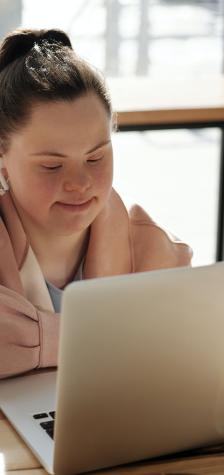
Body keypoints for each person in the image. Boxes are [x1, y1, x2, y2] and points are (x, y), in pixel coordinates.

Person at [0, 28, 192, 379]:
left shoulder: (155, 255)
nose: (80, 183)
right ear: (2, 159)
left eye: (95, 158)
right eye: (52, 165)